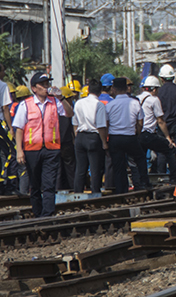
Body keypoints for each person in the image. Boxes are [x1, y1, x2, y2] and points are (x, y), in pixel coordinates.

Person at [13, 72, 65, 216]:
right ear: (34, 88)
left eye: (47, 84)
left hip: (51, 149)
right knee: (34, 185)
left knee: (49, 184)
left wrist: (62, 98)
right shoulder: (26, 105)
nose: (46, 87)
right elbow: (19, 129)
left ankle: (47, 215)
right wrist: (19, 151)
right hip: (32, 150)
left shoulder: (55, 103)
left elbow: (69, 113)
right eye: (42, 85)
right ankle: (37, 213)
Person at [106, 76, 149, 193]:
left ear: (113, 89)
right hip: (130, 137)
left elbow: (106, 124)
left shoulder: (110, 105)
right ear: (126, 88)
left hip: (115, 138)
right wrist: (137, 134)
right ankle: (144, 182)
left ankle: (121, 190)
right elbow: (140, 122)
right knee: (140, 158)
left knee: (118, 166)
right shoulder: (135, 103)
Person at [139, 75, 176, 182]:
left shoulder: (137, 98)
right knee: (170, 149)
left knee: (141, 157)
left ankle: (142, 181)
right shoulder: (154, 100)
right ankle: (175, 179)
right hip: (148, 134)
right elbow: (160, 121)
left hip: (137, 134)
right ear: (154, 89)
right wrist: (168, 138)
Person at [72, 78, 108, 193]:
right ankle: (95, 192)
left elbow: (75, 123)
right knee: (95, 168)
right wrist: (104, 142)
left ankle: (78, 192)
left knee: (80, 169)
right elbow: (101, 126)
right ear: (100, 91)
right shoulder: (99, 105)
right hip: (93, 137)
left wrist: (77, 137)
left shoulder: (79, 103)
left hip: (80, 136)